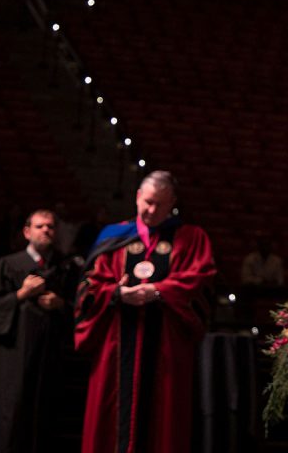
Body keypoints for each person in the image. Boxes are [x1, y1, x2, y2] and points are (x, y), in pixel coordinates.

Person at [75, 171, 216, 453]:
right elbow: (90, 286)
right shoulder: (113, 236)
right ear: (138, 196)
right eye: (148, 202)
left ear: (172, 203)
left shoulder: (190, 237)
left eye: (159, 205)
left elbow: (200, 281)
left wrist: (159, 290)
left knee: (163, 418)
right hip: (116, 347)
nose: (151, 210)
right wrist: (116, 293)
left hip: (166, 349)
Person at [0, 209, 79, 453]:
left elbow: (80, 310)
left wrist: (60, 304)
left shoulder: (65, 268)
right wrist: (21, 294)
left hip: (49, 357)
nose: (46, 231)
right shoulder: (9, 265)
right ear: (27, 231)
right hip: (13, 355)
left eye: (51, 227)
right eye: (40, 226)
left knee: (44, 414)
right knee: (10, 413)